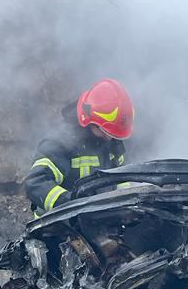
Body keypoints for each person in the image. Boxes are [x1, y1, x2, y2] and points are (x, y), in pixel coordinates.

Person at [25, 78, 134, 215]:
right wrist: (72, 204)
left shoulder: (112, 142)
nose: (109, 138)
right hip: (60, 224)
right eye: (105, 132)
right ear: (90, 122)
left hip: (99, 220)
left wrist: (127, 205)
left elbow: (122, 178)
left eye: (113, 134)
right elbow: (36, 183)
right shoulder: (61, 143)